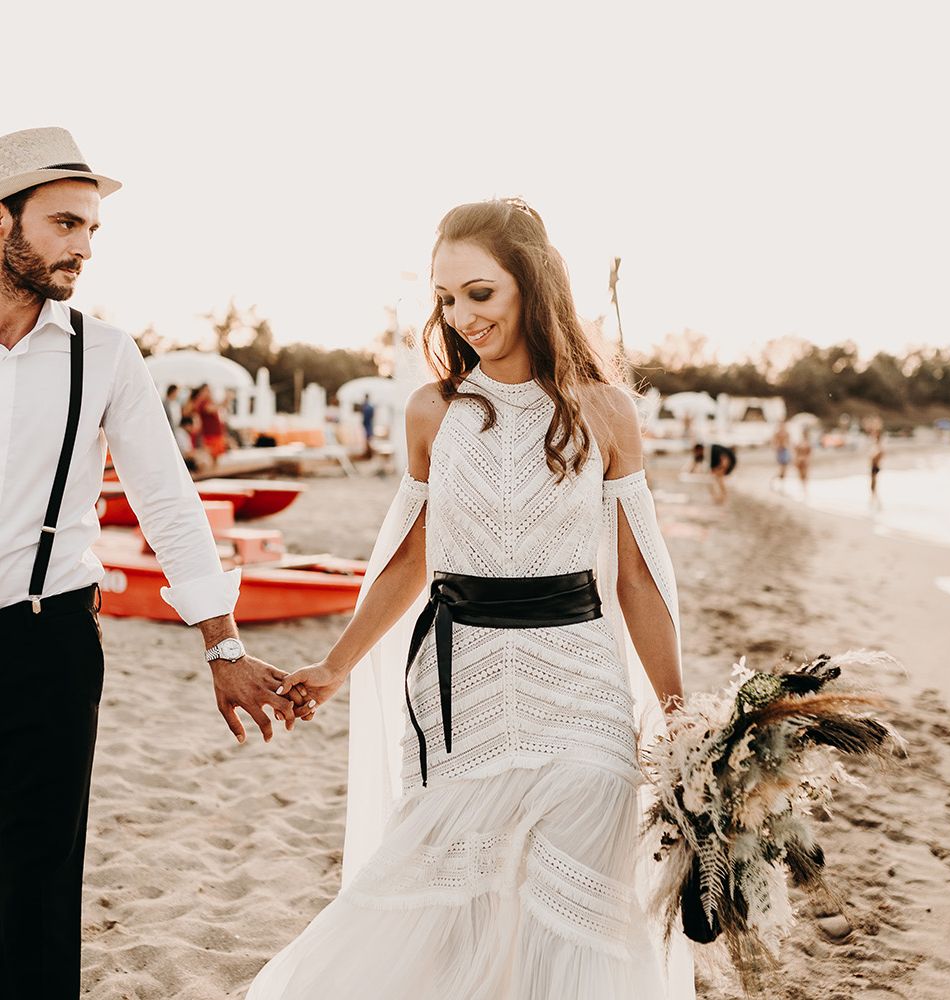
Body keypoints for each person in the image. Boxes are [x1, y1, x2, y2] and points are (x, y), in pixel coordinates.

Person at [246, 198, 696, 998]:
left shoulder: (606, 410)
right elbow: (410, 554)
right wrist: (337, 663)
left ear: (532, 285)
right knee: (454, 903)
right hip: (462, 684)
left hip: (582, 684)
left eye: (479, 294)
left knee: (582, 911)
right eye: (447, 298)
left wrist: (678, 713)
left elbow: (635, 577)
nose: (461, 316)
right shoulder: (433, 410)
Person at [0, 127, 310, 1000]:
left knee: (38, 880)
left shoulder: (104, 355)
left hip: (48, 638)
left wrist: (223, 644)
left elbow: (167, 501)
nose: (84, 248)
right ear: (1, 223)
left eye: (93, 230)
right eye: (65, 224)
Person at [771, 419, 791, 490]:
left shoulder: (786, 433)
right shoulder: (777, 433)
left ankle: (781, 484)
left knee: (784, 470)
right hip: (781, 452)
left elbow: (788, 443)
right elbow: (774, 443)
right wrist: (778, 447)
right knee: (781, 470)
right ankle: (775, 482)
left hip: (785, 451)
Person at [794, 427, 813, 495]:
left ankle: (804, 488)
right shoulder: (800, 442)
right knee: (801, 474)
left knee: (805, 474)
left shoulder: (807, 442)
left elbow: (809, 452)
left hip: (804, 460)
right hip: (800, 460)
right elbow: (796, 451)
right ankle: (803, 488)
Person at [360, 392, 375, 458]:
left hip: (366, 424)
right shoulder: (370, 406)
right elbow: (372, 416)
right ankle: (369, 454)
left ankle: (368, 454)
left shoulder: (364, 406)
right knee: (368, 439)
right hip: (368, 424)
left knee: (366, 440)